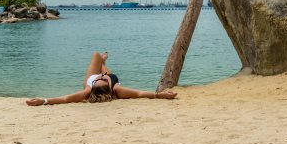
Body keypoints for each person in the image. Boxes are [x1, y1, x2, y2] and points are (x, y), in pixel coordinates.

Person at [26, 51, 177, 106]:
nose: (101, 76)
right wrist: (160, 95)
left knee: (95, 55)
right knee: (101, 62)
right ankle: (103, 62)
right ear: (108, 85)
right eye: (102, 78)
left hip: (89, 79)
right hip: (114, 78)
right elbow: (139, 94)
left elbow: (65, 99)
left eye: (100, 78)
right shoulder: (117, 88)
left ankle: (101, 61)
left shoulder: (88, 88)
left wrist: (43, 100)